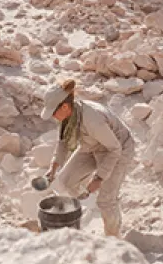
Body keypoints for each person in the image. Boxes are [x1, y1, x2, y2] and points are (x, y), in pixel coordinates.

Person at [41, 79, 135, 236]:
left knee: (106, 200)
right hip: (91, 145)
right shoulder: (69, 116)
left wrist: (99, 178)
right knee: (64, 182)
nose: (53, 117)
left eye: (53, 112)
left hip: (118, 148)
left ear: (64, 107)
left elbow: (114, 149)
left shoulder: (92, 119)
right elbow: (63, 142)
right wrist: (53, 168)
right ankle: (81, 212)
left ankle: (113, 238)